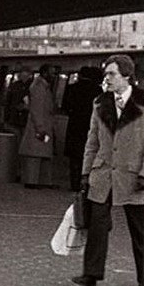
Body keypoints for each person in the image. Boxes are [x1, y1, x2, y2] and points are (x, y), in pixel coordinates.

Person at [73, 53, 144, 286]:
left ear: (127, 76)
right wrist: (85, 174)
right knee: (97, 225)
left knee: (140, 229)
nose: (107, 78)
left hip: (133, 176)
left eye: (112, 74)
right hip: (103, 173)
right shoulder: (99, 103)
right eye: (106, 74)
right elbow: (92, 141)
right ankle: (91, 274)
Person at [61, 65, 103, 193]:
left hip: (75, 125)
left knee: (74, 157)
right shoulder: (97, 90)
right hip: (90, 125)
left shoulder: (72, 88)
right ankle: (87, 183)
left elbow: (65, 106)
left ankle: (74, 183)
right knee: (90, 153)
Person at [17, 64, 58, 187]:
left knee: (41, 155)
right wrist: (40, 128)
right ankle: (32, 181)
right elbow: (37, 109)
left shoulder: (41, 86)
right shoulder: (39, 88)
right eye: (52, 73)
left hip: (43, 125)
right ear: (44, 73)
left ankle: (40, 181)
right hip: (40, 127)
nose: (54, 76)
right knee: (35, 155)